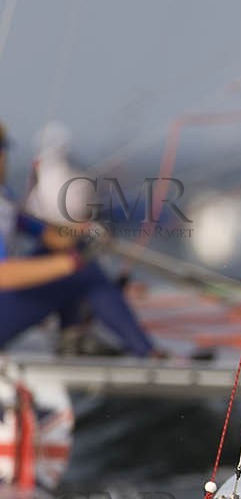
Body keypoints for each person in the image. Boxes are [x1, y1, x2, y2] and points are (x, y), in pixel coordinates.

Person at [0, 121, 158, 356]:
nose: (5, 158)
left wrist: (85, 231)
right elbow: (4, 275)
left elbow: (49, 235)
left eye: (4, 148)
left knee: (76, 261)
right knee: (81, 271)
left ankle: (74, 337)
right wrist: (72, 263)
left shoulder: (5, 198)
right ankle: (147, 352)